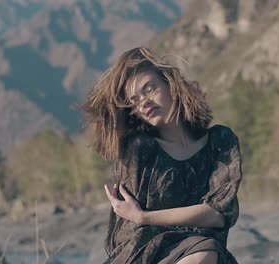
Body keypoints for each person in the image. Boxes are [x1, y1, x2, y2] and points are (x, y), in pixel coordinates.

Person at [80, 47, 242, 264]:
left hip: (207, 255)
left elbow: (218, 214)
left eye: (149, 89)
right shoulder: (140, 150)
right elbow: (126, 235)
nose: (144, 102)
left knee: (205, 251)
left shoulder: (220, 141)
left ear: (171, 85)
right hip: (148, 257)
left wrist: (144, 217)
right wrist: (138, 219)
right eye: (134, 100)